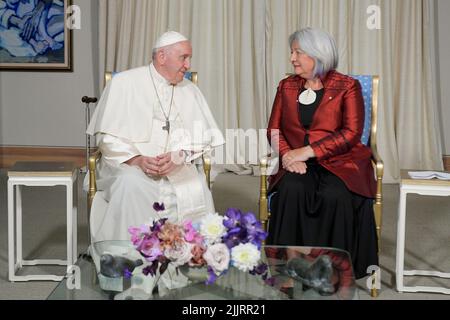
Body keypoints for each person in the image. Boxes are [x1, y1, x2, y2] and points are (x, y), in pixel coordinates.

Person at [86, 31, 225, 244]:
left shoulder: (190, 90)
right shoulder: (124, 83)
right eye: (183, 58)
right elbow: (107, 139)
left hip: (175, 167)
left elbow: (202, 138)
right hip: (128, 166)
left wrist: (179, 156)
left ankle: (185, 257)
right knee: (130, 184)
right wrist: (137, 160)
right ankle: (130, 254)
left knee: (196, 187)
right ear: (162, 57)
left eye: (189, 58)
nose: (188, 65)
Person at [266, 27, 378, 280]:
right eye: (292, 52)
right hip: (296, 161)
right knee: (291, 190)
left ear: (318, 55)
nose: (292, 58)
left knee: (334, 195)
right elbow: (273, 129)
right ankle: (292, 267)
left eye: (298, 52)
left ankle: (331, 271)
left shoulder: (347, 87)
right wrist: (287, 155)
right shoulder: (287, 86)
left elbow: (351, 132)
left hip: (340, 161)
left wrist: (307, 151)